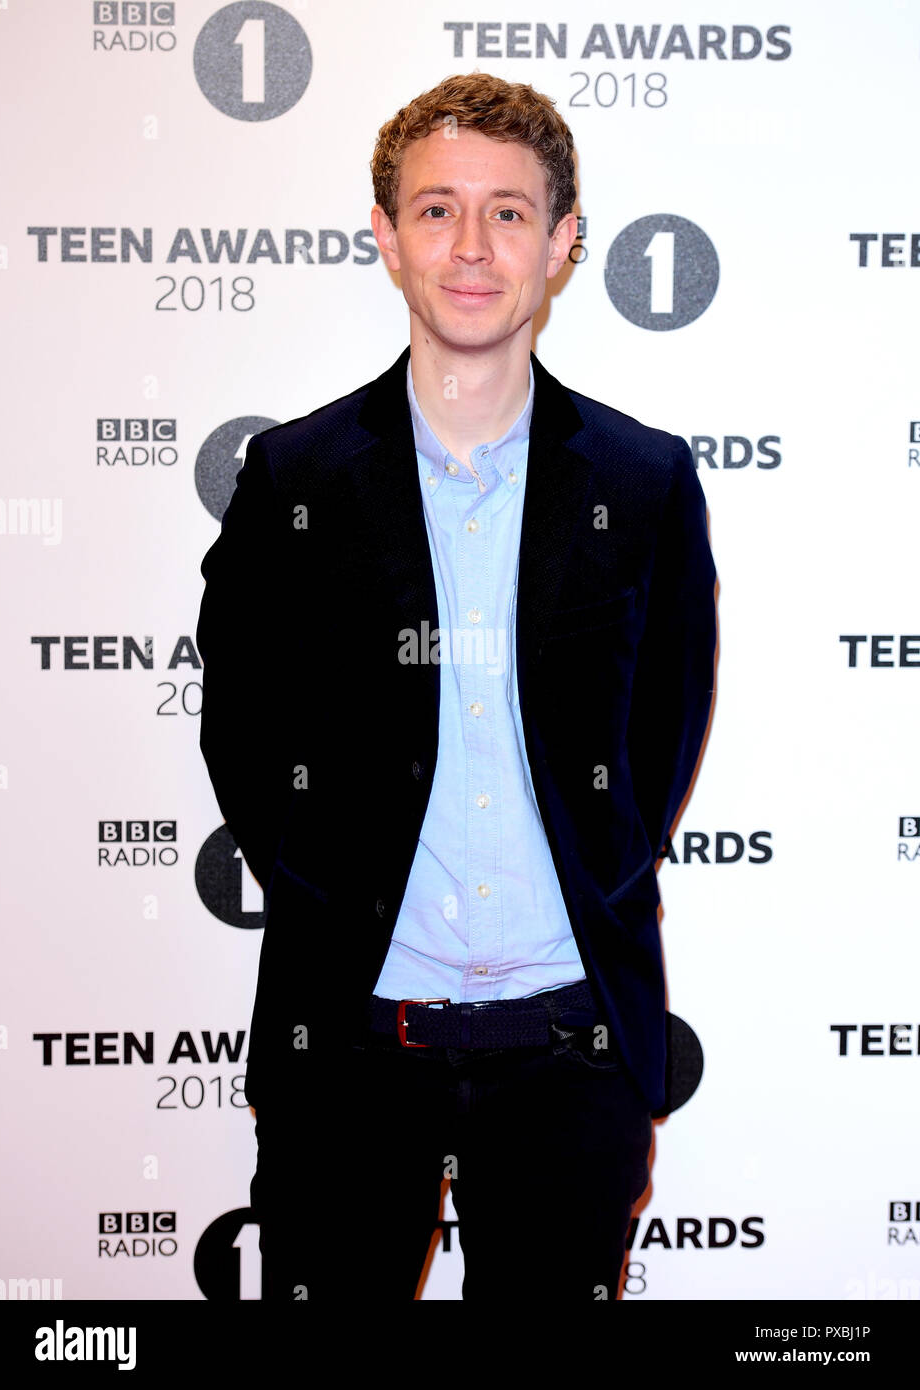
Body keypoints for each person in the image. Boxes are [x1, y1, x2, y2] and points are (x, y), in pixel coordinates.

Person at [196, 71, 717, 1302]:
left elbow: (663, 730)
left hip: (567, 1052)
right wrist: (328, 892)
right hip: (351, 1050)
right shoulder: (296, 476)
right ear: (384, 237)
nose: (471, 247)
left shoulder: (641, 482)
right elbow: (245, 731)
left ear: (562, 244)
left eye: (507, 213)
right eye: (435, 211)